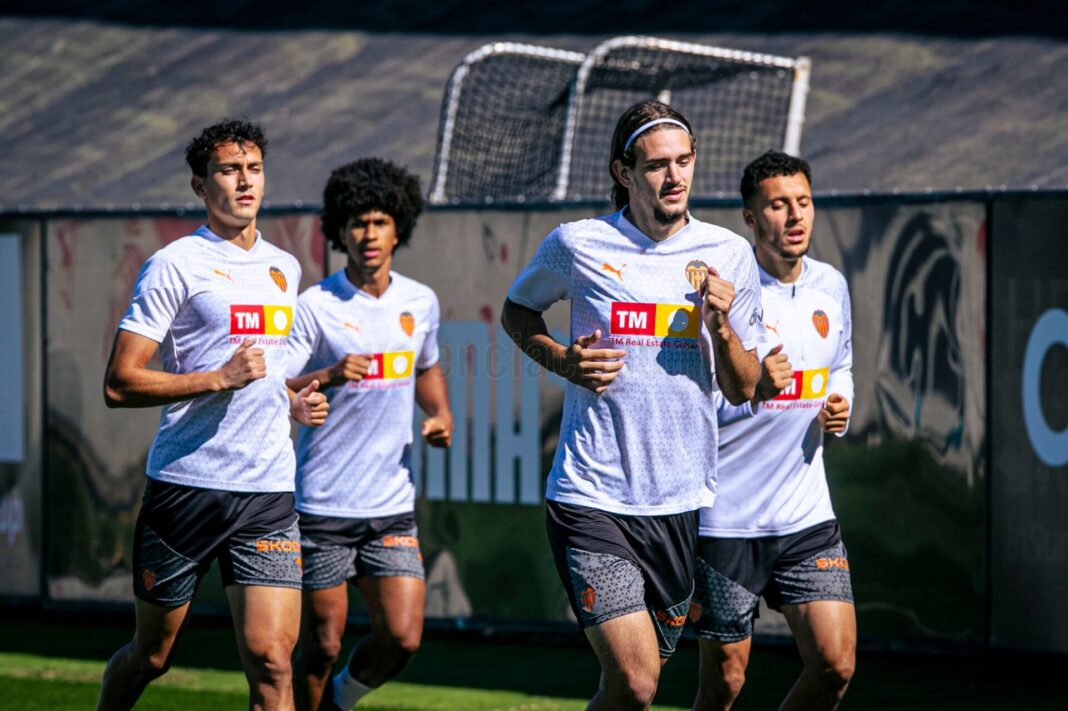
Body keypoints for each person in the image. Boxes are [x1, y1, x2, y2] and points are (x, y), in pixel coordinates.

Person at [501, 100, 763, 711]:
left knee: (628, 690)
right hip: (591, 495)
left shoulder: (728, 254)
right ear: (624, 173)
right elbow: (518, 311)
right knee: (638, 681)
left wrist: (721, 328)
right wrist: (561, 359)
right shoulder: (579, 243)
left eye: (684, 162)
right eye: (656, 166)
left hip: (678, 502)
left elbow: (744, 387)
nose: (674, 178)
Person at [97, 119, 329, 711]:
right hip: (186, 489)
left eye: (253, 169)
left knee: (274, 663)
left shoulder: (285, 268)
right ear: (201, 186)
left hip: (267, 493)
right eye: (229, 170)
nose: (244, 182)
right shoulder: (175, 264)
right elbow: (120, 384)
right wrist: (216, 379)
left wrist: (291, 403)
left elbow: (267, 369)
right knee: (153, 655)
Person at [691, 150, 856, 711]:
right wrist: (757, 383)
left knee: (835, 664)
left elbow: (842, 367)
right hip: (727, 520)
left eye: (803, 202)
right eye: (778, 205)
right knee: (725, 685)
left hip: (807, 515)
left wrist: (840, 404)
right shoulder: (722, 299)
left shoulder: (831, 286)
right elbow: (699, 405)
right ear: (750, 218)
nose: (795, 216)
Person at [287, 158, 452, 711]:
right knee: (321, 644)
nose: (369, 234)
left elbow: (426, 366)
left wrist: (440, 415)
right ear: (339, 230)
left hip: (390, 506)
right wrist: (328, 376)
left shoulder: (419, 301)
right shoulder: (314, 307)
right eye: (358, 222)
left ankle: (339, 701)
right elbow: (279, 386)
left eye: (379, 221)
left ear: (397, 227)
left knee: (403, 637)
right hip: (322, 506)